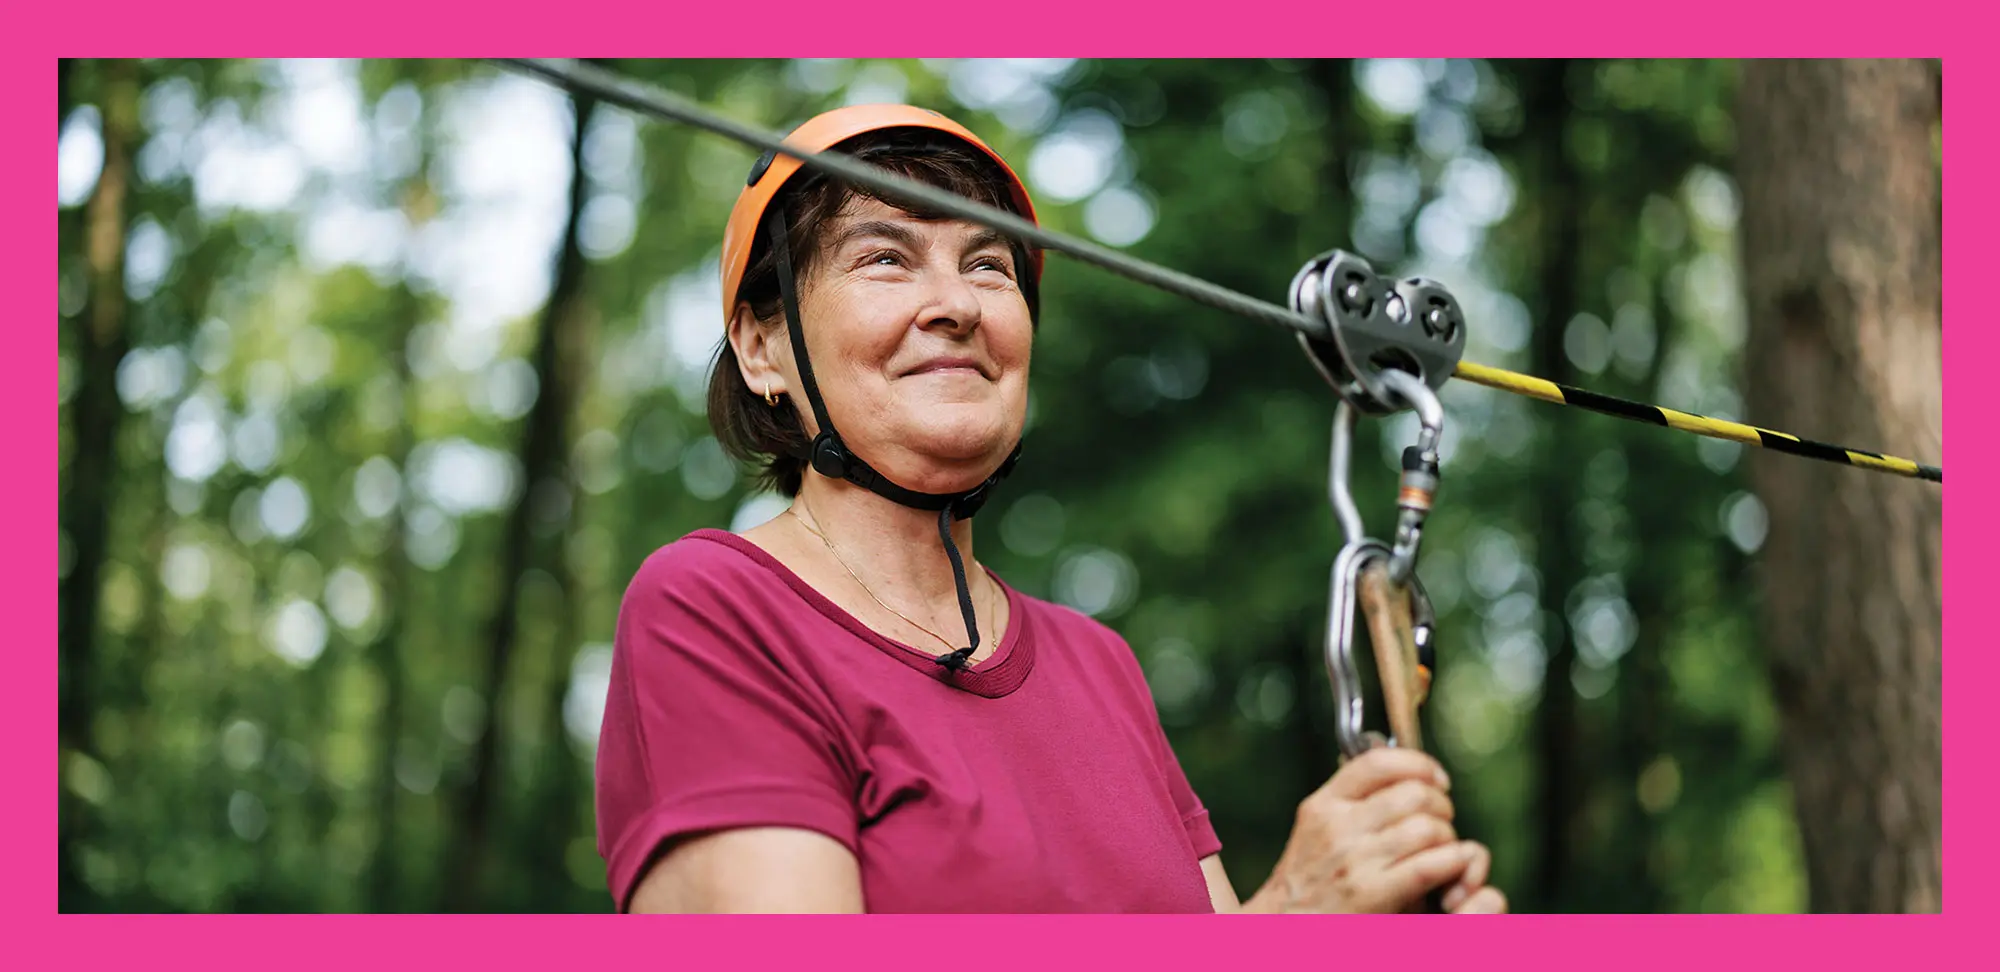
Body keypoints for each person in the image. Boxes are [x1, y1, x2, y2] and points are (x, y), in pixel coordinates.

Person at [593, 103, 1507, 915]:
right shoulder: (715, 609)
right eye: (884, 258)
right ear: (761, 346)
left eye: (989, 267)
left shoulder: (1097, 665)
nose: (954, 304)